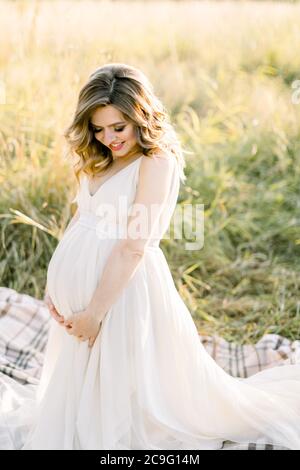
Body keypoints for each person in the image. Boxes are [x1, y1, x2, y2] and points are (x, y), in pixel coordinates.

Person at [2, 63, 300, 450]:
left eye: (118, 127)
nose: (108, 138)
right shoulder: (100, 157)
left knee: (130, 393)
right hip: (83, 300)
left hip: (120, 293)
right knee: (82, 392)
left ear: (140, 118)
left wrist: (94, 313)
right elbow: (80, 219)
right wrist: (54, 285)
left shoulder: (156, 162)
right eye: (98, 128)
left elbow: (133, 246)